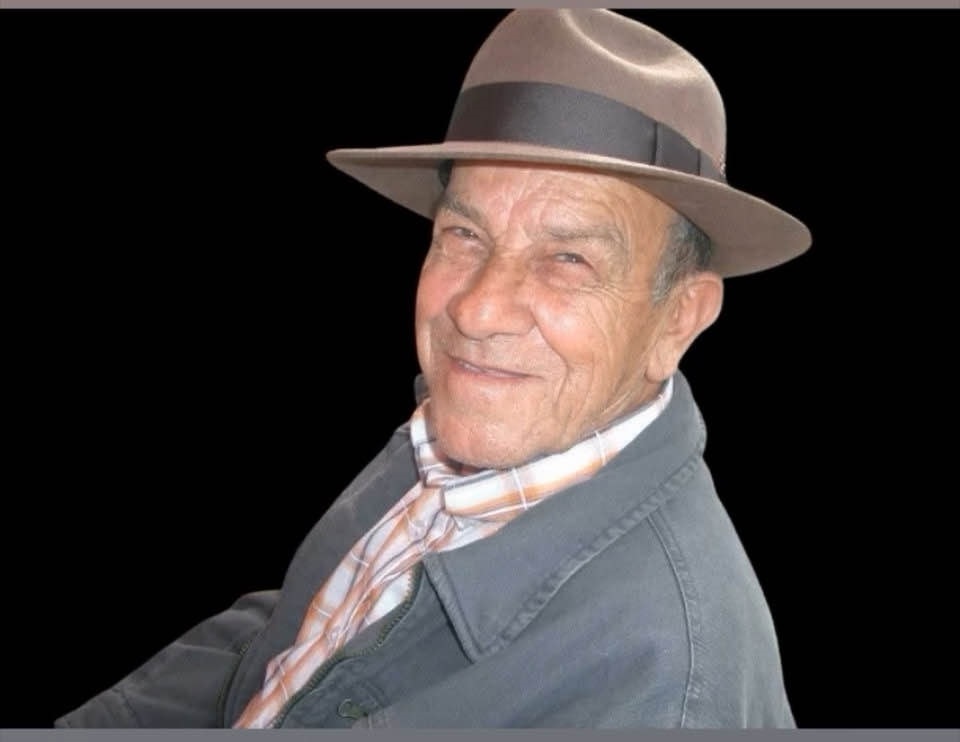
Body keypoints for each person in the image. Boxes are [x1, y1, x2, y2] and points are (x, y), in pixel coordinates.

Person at [55, 9, 809, 729]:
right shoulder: (463, 435)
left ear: (678, 319)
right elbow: (302, 637)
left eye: (568, 259)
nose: (476, 311)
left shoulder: (664, 693)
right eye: (463, 235)